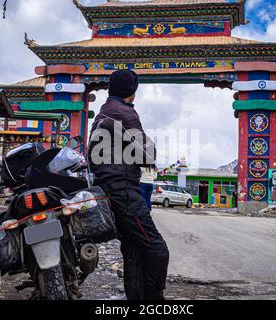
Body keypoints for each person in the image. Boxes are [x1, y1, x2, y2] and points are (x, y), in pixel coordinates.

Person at [88, 69, 169, 300]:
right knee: (157, 249)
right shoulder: (126, 113)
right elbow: (147, 155)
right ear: (132, 92)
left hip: (109, 191)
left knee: (133, 250)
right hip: (125, 192)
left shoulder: (103, 112)